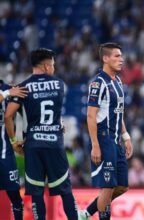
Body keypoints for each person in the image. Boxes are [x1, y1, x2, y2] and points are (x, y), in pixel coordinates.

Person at [4, 48, 78, 219]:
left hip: (33, 146)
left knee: (37, 193)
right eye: (52, 65)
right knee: (66, 191)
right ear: (45, 66)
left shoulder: (23, 87)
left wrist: (15, 141)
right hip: (55, 145)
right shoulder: (59, 84)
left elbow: (8, 115)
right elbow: (56, 111)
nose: (53, 68)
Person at [80, 42, 134, 220]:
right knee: (108, 186)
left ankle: (87, 213)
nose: (121, 59)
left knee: (122, 186)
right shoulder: (98, 83)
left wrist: (126, 136)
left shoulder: (118, 81)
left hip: (116, 140)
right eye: (117, 56)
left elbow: (119, 113)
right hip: (103, 139)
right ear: (105, 58)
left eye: (121, 56)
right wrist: (95, 144)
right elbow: (90, 115)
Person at [0, 82, 27, 220]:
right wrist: (7, 94)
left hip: (6, 155)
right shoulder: (8, 92)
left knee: (16, 198)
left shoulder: (10, 88)